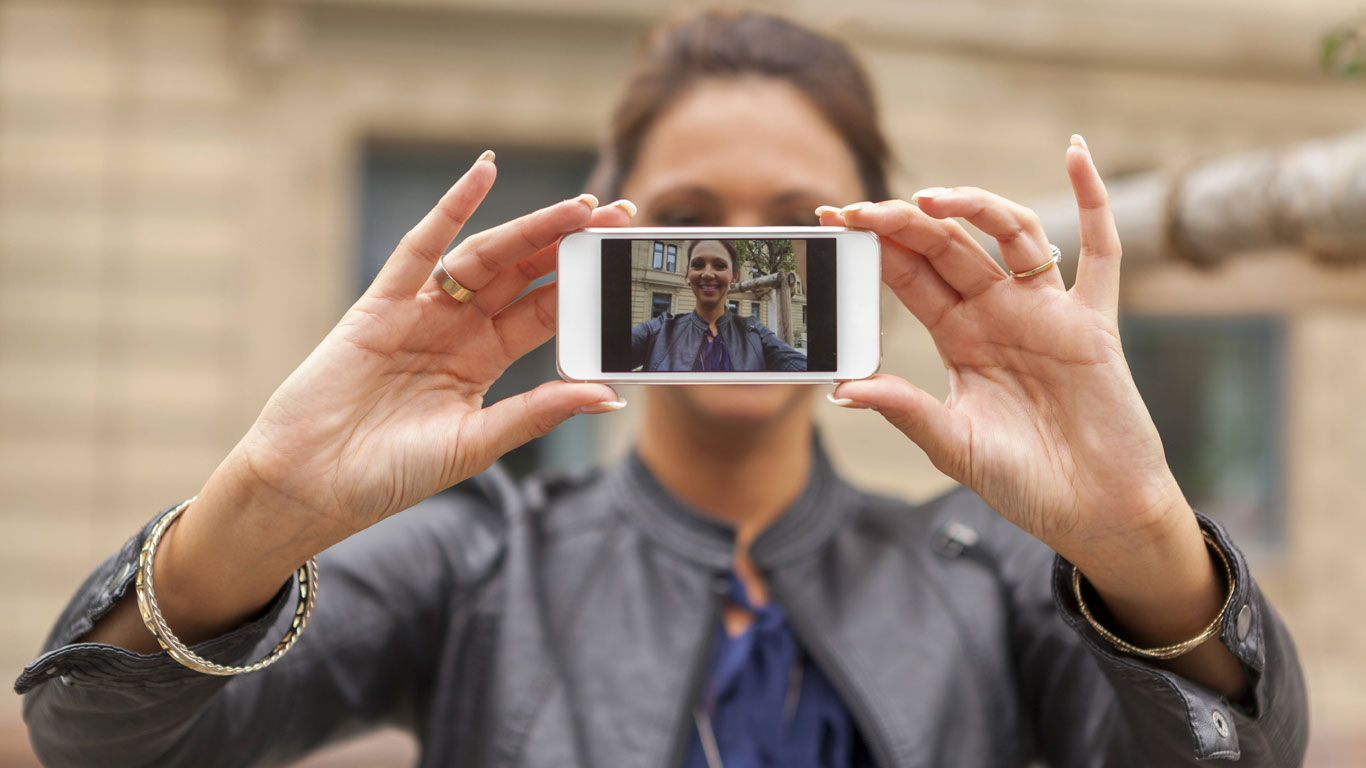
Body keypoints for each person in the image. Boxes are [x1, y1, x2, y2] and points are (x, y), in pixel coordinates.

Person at [16, 10, 1306, 768]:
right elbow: (94, 743)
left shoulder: (986, 576)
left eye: (792, 224)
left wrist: (1142, 544)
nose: (731, 263)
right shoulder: (479, 562)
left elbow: (1227, 754)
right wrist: (254, 513)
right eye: (687, 222)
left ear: (858, 248)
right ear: (612, 241)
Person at [630, 239, 806, 372]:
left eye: (719, 265)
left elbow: (801, 367)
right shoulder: (659, 329)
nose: (707, 274)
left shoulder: (755, 332)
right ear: (687, 275)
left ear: (735, 276)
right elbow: (606, 355)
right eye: (698, 265)